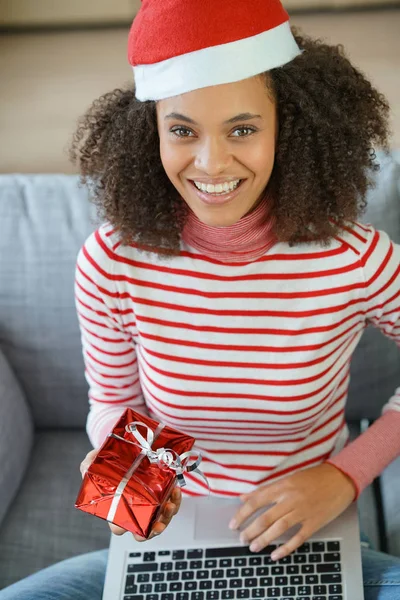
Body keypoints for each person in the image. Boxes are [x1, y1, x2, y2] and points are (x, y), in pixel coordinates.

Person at [2, 0, 400, 598]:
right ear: (150, 133)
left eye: (243, 128)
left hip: (307, 532)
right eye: (182, 130)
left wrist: (344, 476)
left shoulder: (354, 258)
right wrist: (129, 472)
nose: (212, 164)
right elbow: (112, 401)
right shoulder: (113, 261)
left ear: (288, 126)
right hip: (172, 537)